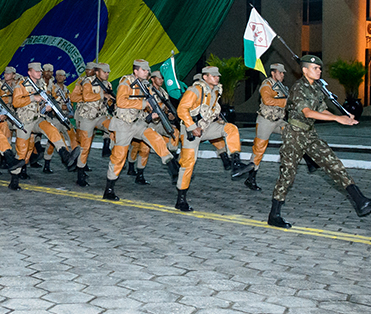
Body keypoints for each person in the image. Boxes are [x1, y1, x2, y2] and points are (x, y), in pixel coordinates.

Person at [268, 55, 371, 228]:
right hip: (294, 134)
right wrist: (337, 119)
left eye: (319, 68)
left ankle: (360, 201)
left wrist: (342, 117)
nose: (319, 70)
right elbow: (308, 113)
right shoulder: (298, 88)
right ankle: (274, 215)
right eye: (315, 68)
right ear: (305, 70)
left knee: (333, 163)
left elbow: (322, 109)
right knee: (288, 174)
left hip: (309, 133)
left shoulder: (316, 87)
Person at [175, 66, 251, 211]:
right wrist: (192, 127)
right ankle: (181, 199)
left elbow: (211, 109)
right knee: (188, 162)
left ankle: (235, 163)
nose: (217, 78)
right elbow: (181, 110)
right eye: (213, 75)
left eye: (217, 76)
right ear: (205, 77)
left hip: (206, 126)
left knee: (231, 128)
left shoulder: (215, 91)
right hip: (191, 129)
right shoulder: (195, 90)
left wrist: (217, 119)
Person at [102, 60, 181, 201]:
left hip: (138, 123)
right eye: (143, 70)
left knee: (155, 137)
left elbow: (149, 105)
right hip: (123, 124)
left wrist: (154, 114)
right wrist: (144, 103)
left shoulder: (145, 85)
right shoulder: (126, 82)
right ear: (136, 71)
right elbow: (121, 102)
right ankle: (109, 189)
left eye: (147, 70)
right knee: (119, 157)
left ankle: (171, 164)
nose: (147, 72)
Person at [11, 62, 80, 190]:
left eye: (40, 71)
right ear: (29, 72)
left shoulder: (42, 84)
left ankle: (65, 154)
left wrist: (46, 107)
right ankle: (14, 180)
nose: (39, 73)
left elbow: (42, 102)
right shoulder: (21, 85)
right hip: (24, 122)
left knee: (52, 130)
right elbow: (15, 102)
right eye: (36, 71)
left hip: (38, 118)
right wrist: (33, 98)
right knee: (22, 151)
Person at [246, 63, 288, 191]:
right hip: (266, 121)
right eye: (280, 72)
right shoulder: (266, 85)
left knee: (292, 132)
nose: (282, 75)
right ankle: (251, 178)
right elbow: (267, 100)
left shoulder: (281, 86)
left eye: (283, 73)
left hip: (278, 120)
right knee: (259, 149)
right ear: (273, 73)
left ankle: (307, 160)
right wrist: (285, 102)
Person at [75, 63, 113, 186]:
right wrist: (102, 95)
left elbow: (109, 102)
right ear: (97, 72)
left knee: (114, 127)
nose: (107, 74)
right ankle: (80, 174)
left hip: (100, 116)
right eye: (104, 72)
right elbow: (86, 96)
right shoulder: (88, 82)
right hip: (87, 117)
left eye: (108, 72)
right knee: (85, 147)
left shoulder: (108, 84)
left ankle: (110, 148)